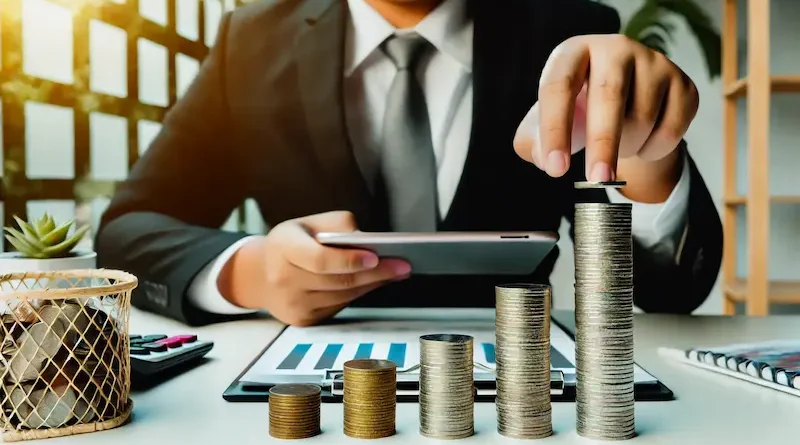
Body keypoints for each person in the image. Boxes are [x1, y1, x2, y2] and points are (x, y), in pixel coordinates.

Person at [95, 0, 722, 327]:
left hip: (524, 399)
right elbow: (128, 230)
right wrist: (249, 272)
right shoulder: (251, 41)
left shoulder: (569, 31)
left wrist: (645, 160)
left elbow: (671, 291)